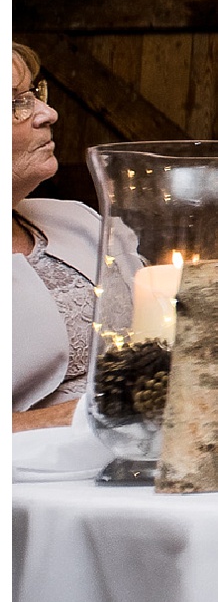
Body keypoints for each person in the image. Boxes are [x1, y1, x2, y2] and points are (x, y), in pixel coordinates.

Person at [13, 43, 97, 430]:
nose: (49, 113)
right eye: (16, 103)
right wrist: (73, 418)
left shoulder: (78, 222)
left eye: (35, 95)